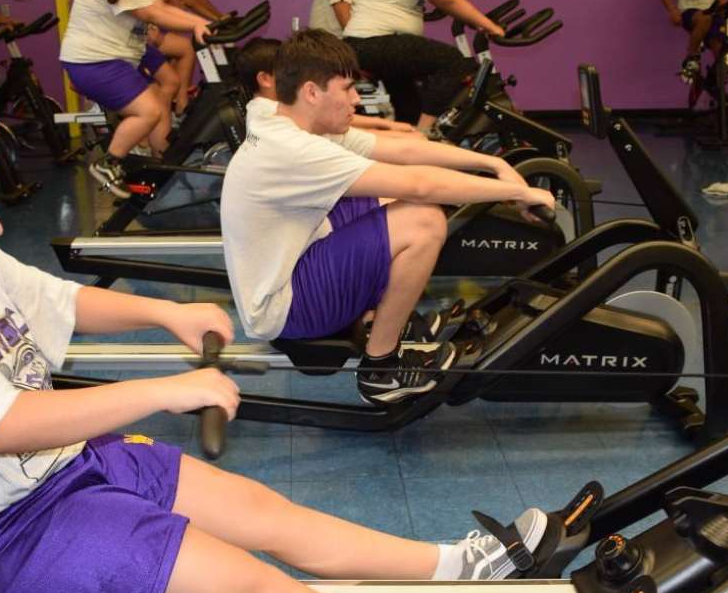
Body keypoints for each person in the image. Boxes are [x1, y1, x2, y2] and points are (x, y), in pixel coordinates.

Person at [0, 106, 596, 593]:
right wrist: (170, 387)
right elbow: (4, 426)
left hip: (67, 471)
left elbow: (61, 300)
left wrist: (165, 312)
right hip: (10, 531)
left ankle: (456, 569)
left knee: (264, 512)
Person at [221, 30, 554, 406]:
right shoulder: (296, 149)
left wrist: (492, 163)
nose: (355, 99)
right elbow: (422, 185)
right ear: (312, 92)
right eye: (346, 88)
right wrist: (519, 192)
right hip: (285, 309)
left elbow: (406, 152)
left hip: (291, 267)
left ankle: (382, 315)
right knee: (424, 218)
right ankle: (381, 368)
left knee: (391, 197)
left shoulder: (277, 115)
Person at [60, 0, 210, 198]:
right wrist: (199, 24)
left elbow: (160, 8)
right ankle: (108, 163)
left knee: (158, 103)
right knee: (149, 110)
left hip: (112, 58)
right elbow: (153, 14)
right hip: (93, 60)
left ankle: (161, 164)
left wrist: (203, 23)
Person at [341, 0, 507, 131]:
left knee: (410, 108)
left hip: (365, 44)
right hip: (374, 42)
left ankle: (407, 141)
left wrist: (478, 23)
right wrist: (491, 27)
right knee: (453, 61)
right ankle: (423, 134)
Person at [235, 36, 423, 139]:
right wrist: (389, 131)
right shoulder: (271, 113)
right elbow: (338, 131)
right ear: (265, 79)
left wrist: (385, 124)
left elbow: (340, 120)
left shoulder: (274, 105)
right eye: (285, 69)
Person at [661, 0, 728, 84]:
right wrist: (673, 10)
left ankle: (718, 84)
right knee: (704, 19)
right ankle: (692, 57)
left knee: (720, 48)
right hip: (690, 11)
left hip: (713, 11)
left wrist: (724, 0)